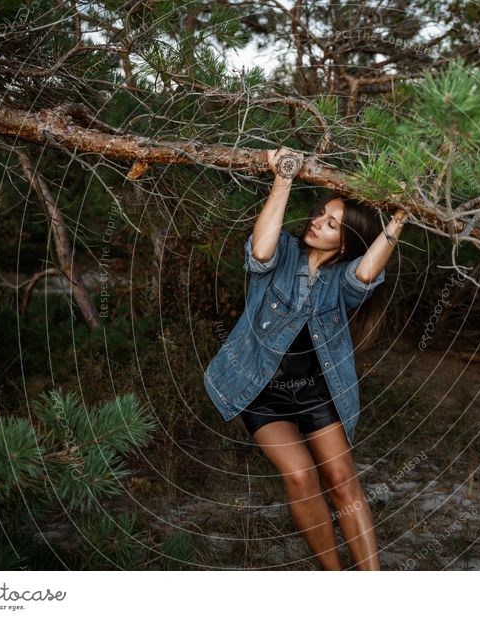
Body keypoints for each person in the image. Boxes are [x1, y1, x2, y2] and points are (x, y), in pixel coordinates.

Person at [203, 146, 407, 570]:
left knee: (342, 482)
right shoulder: (283, 255)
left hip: (316, 390)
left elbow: (367, 272)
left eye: (333, 224)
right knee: (300, 477)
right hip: (261, 389)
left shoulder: (343, 281)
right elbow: (259, 250)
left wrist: (400, 218)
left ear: (348, 241)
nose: (317, 223)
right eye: (320, 214)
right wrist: (284, 177)